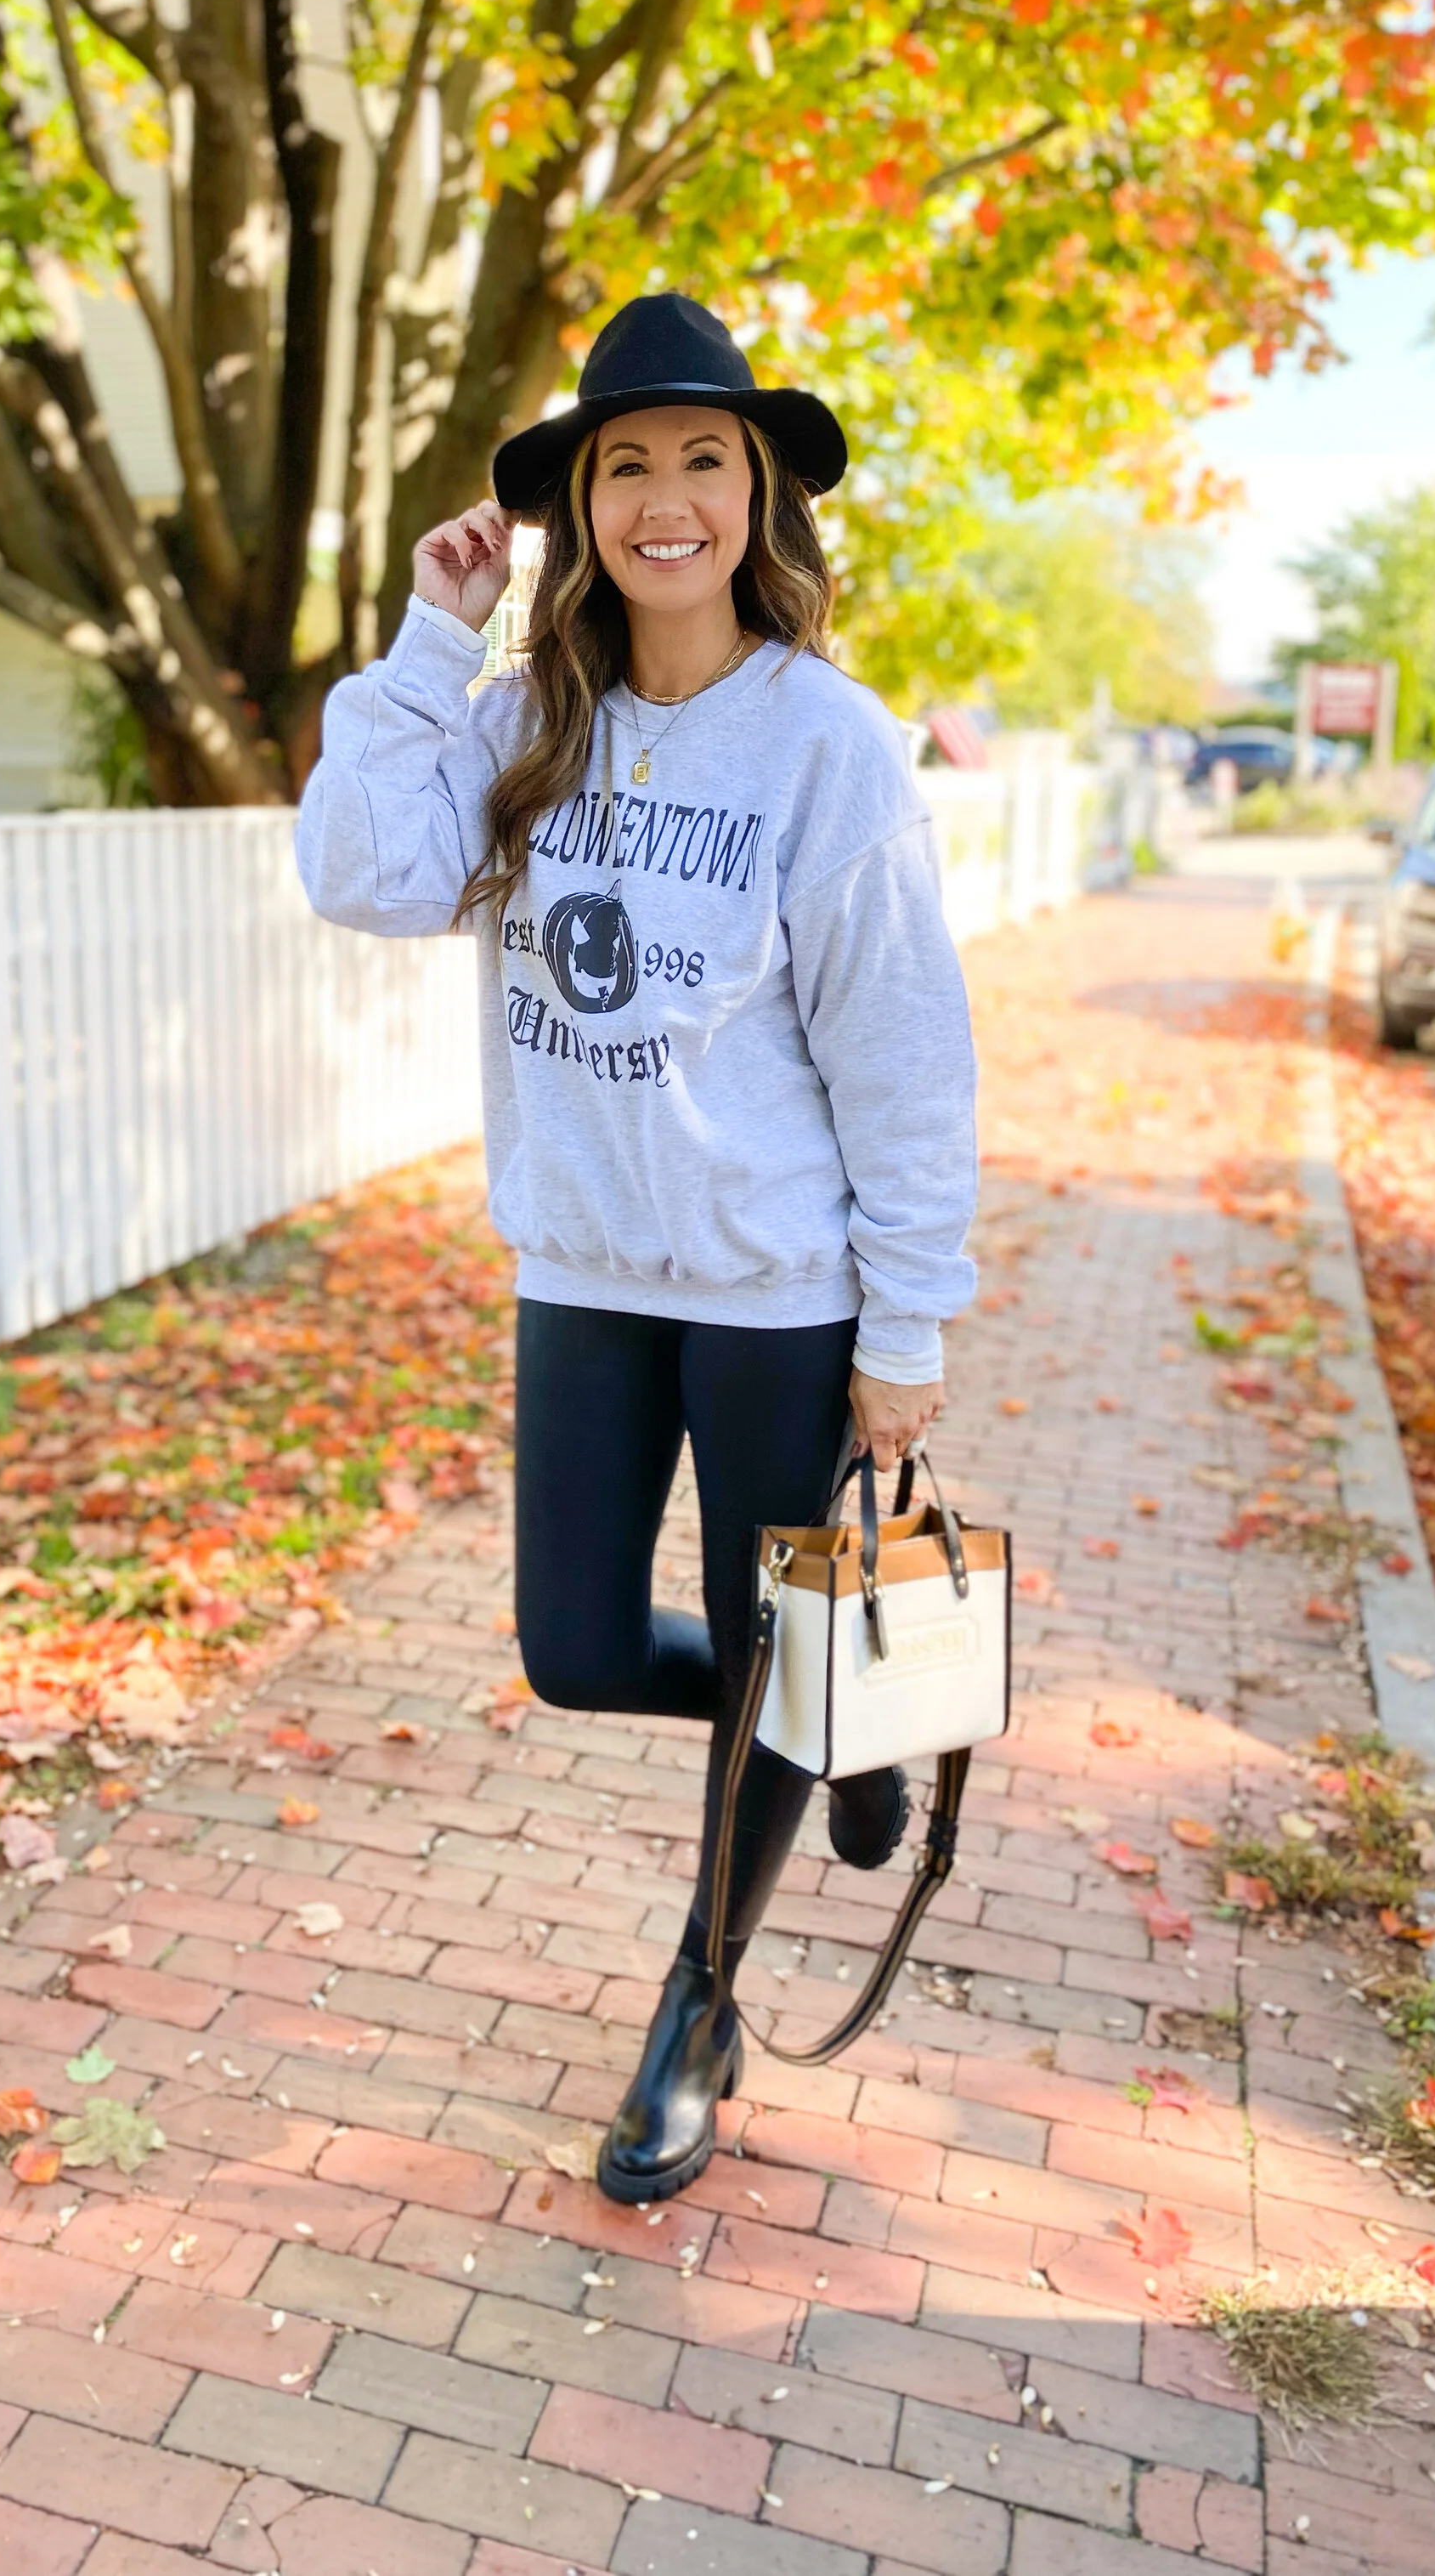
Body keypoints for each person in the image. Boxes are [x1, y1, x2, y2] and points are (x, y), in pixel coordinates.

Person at [296, 292, 978, 2202]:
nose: (663, 499)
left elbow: (904, 1056)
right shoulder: (526, 716)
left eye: (701, 459)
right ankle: (834, 1730)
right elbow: (359, 872)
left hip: (779, 1293)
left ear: (757, 494)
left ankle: (701, 2001)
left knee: (772, 1642)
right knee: (576, 1648)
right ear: (578, 507)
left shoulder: (830, 746)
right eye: (624, 466)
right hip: (585, 1274)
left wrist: (906, 1322)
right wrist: (434, 640)